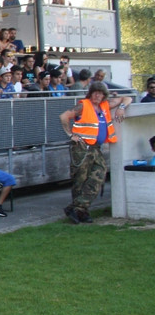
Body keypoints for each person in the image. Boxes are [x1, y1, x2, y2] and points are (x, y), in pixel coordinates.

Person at [59, 82, 130, 224]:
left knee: (99, 174)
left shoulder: (104, 106)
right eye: (95, 92)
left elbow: (127, 98)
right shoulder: (83, 105)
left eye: (100, 92)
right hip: (82, 147)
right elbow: (64, 116)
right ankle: (81, 212)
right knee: (81, 178)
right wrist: (70, 134)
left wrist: (121, 108)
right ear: (90, 93)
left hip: (95, 147)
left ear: (104, 95)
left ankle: (77, 208)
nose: (97, 95)